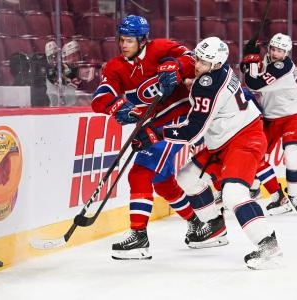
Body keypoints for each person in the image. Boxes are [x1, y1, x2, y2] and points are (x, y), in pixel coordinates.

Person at [132, 37, 283, 269]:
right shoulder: (217, 71)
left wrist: (156, 134)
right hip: (223, 139)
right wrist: (189, 80)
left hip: (244, 139)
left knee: (234, 193)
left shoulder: (208, 83)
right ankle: (213, 226)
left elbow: (193, 130)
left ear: (215, 65)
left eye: (203, 63)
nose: (198, 65)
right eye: (198, 59)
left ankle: (269, 246)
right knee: (187, 177)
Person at [90, 15, 226, 260]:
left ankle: (139, 237)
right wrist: (116, 107)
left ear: (142, 40)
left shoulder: (160, 47)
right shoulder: (115, 66)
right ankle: (197, 224)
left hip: (179, 117)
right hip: (154, 123)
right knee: (162, 179)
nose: (124, 44)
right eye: (121, 39)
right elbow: (100, 97)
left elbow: (191, 59)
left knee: (140, 172)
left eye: (129, 40)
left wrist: (174, 65)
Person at [240, 33, 297, 215]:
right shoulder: (267, 60)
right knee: (256, 154)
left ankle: (295, 195)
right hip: (270, 116)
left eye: (280, 50)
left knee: (292, 152)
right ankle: (257, 188)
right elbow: (247, 70)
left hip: (294, 114)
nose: (275, 53)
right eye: (273, 49)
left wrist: (250, 60)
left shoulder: (283, 66)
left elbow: (253, 84)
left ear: (286, 52)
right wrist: (250, 55)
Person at [45, 40, 83, 106]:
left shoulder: (69, 69)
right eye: (51, 57)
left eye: (55, 56)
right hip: (59, 109)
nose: (54, 60)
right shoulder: (51, 73)